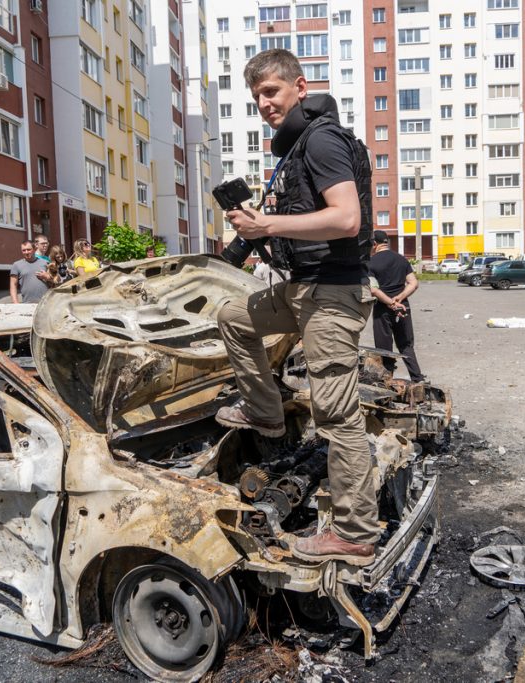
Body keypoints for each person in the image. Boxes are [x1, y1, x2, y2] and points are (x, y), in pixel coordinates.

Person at [215, 49, 377, 566]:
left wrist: (269, 226)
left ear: (300, 88)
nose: (264, 104)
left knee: (336, 416)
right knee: (233, 316)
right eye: (256, 96)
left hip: (331, 292)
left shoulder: (323, 139)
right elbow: (308, 219)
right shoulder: (297, 147)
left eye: (272, 92)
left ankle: (354, 532)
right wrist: (259, 229)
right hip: (302, 286)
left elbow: (346, 218)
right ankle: (265, 412)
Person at [367, 230, 425, 383]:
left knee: (384, 349)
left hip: (382, 310)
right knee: (406, 345)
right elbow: (414, 283)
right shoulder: (402, 260)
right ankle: (417, 379)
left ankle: (387, 383)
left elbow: (373, 289)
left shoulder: (371, 263)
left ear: (374, 244)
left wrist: (390, 302)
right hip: (403, 308)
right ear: (386, 242)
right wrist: (399, 298)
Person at [9, 239, 48, 304]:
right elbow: (13, 285)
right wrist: (16, 303)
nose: (26, 252)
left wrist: (47, 277)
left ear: (34, 249)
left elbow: (54, 281)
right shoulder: (16, 265)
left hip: (45, 303)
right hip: (27, 303)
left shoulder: (45, 263)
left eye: (29, 249)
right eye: (24, 250)